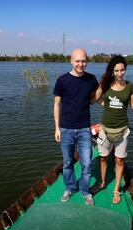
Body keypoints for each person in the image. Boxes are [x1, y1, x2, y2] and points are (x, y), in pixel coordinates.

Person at [95, 55, 133, 204]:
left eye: (122, 70)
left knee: (119, 161)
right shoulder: (105, 84)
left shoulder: (130, 86)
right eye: (116, 70)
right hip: (105, 130)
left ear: (125, 70)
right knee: (103, 158)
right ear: (112, 71)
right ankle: (102, 182)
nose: (120, 73)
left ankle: (116, 189)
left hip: (122, 130)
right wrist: (105, 104)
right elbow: (95, 98)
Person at [53, 48, 99, 206]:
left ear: (87, 61)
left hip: (84, 128)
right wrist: (57, 128)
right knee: (67, 162)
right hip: (65, 129)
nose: (81, 64)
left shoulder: (92, 79)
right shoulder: (62, 80)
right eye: (77, 61)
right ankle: (70, 187)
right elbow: (57, 104)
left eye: (83, 61)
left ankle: (86, 191)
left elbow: (93, 99)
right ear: (71, 61)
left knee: (87, 163)